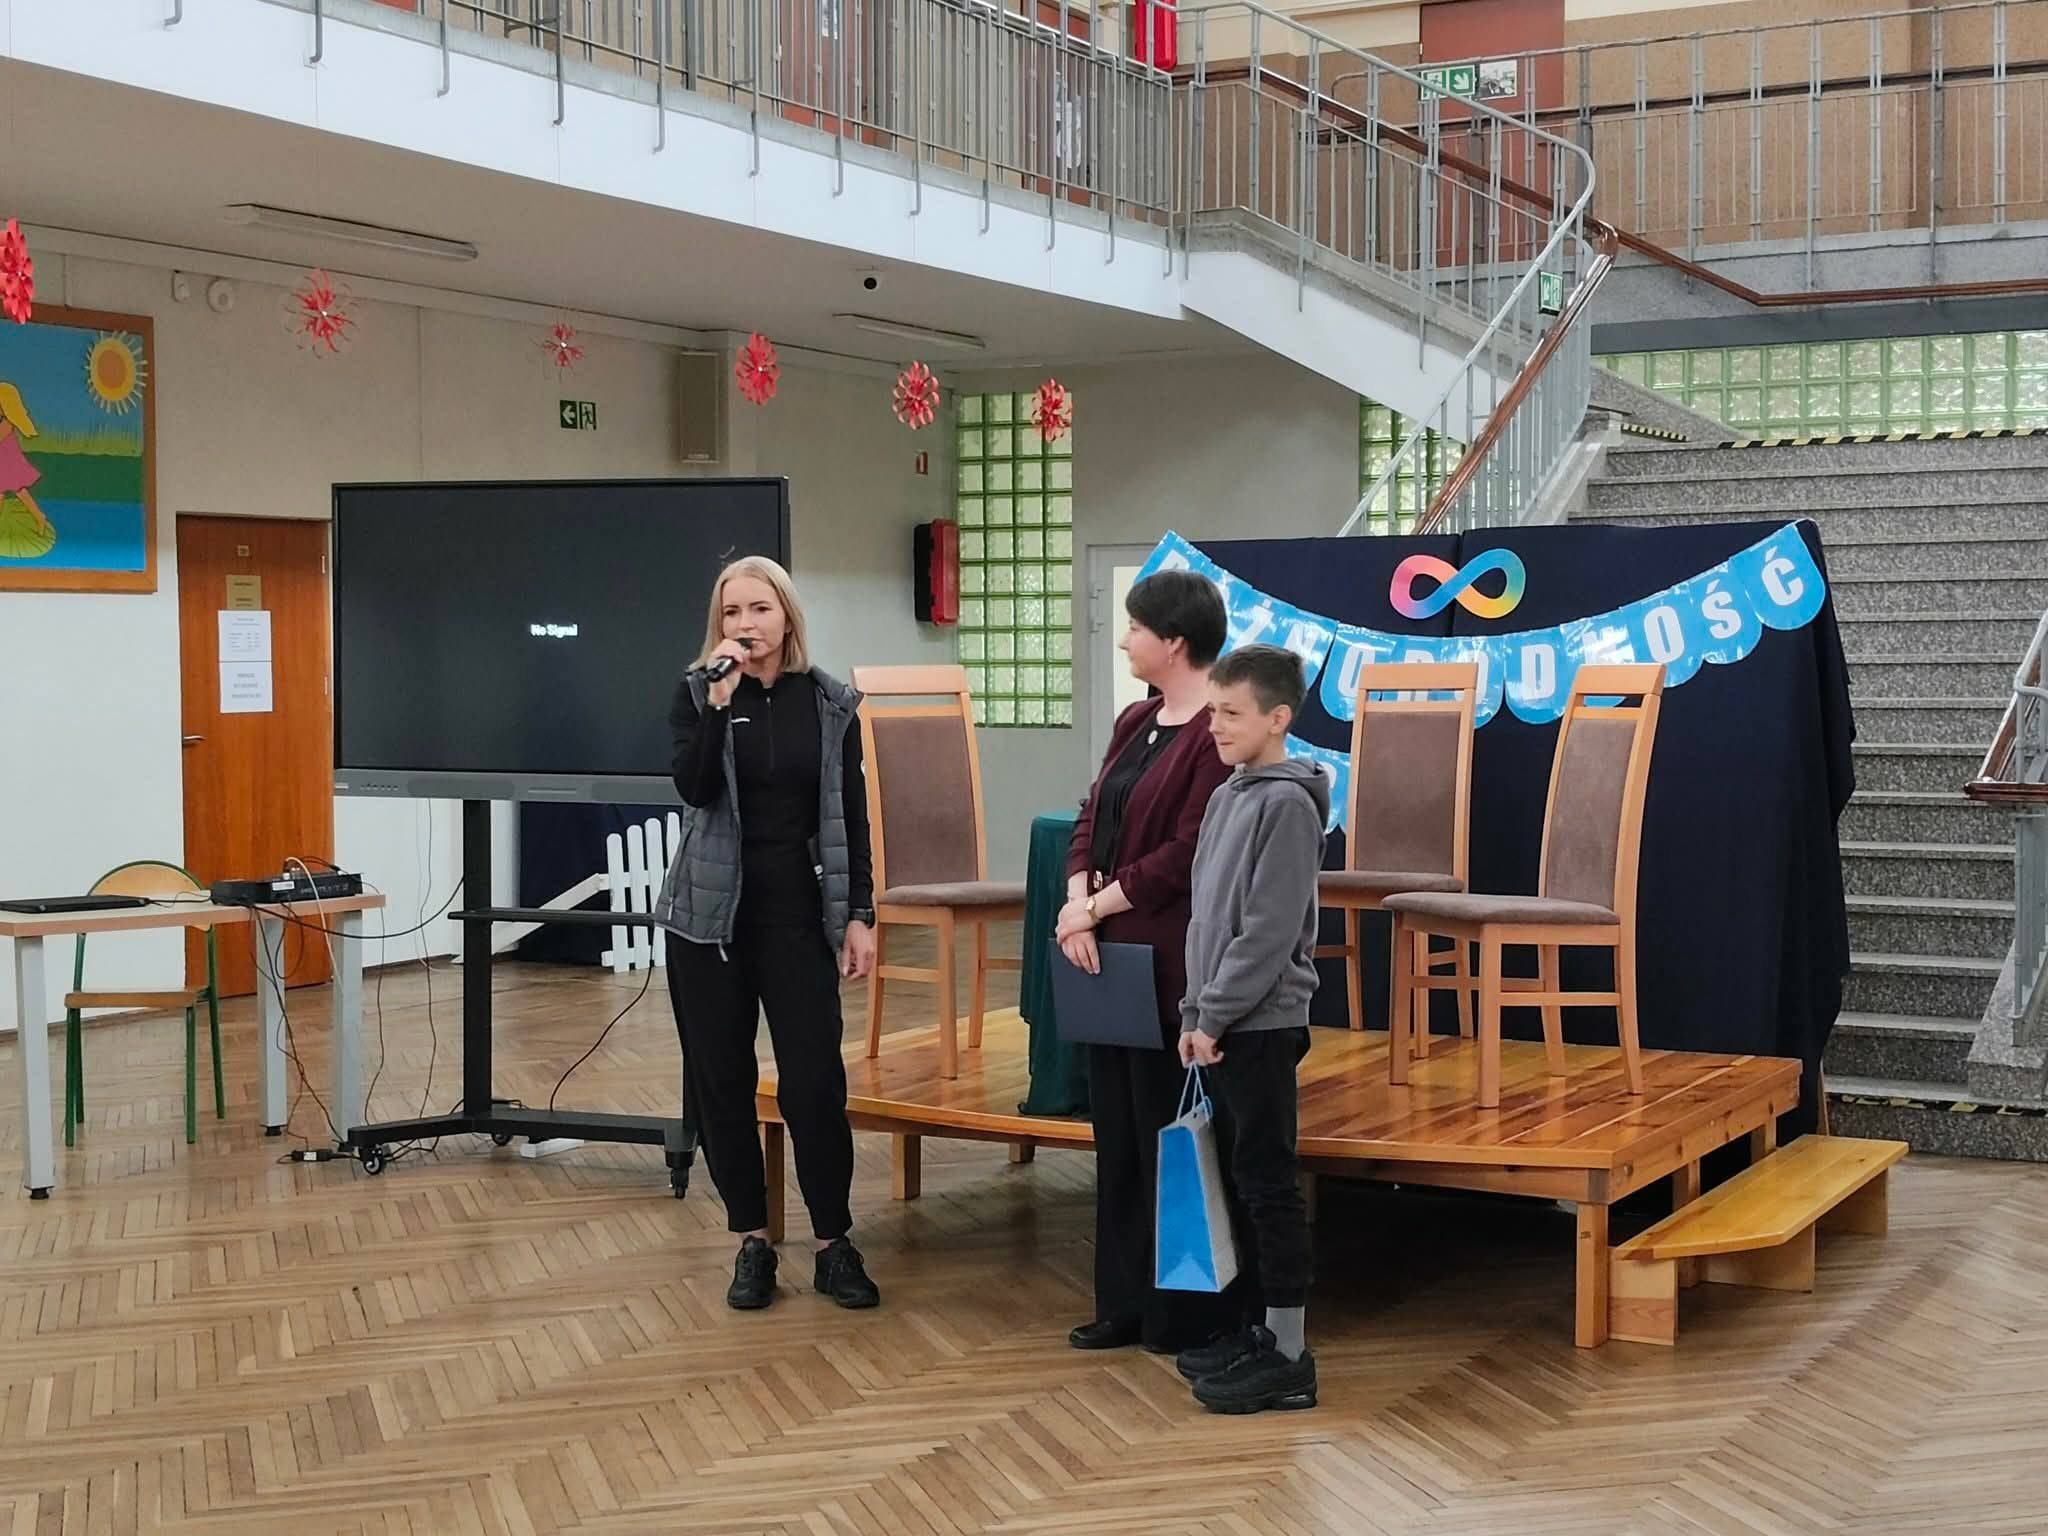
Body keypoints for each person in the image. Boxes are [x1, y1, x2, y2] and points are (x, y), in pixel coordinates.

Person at [654, 556, 882, 1313]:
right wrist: (719, 703)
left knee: (814, 1083)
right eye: (731, 612)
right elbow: (694, 789)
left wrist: (860, 913)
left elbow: (851, 815)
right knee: (721, 1083)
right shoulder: (698, 693)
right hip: (707, 924)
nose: (745, 624)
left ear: (786, 617)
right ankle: (751, 1240)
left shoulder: (829, 704)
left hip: (797, 918)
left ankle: (833, 1243)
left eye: (758, 609)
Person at [1054, 569, 1237, 1354]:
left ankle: (1181, 1316)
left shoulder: (1214, 732)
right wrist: (1075, 903)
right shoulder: (1136, 718)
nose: (1124, 639)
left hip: (1168, 961)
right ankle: (1122, 1302)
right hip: (1108, 960)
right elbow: (1090, 815)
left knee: (1170, 1141)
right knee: (1118, 1139)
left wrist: (1095, 907)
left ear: (1174, 642)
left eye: (1134, 628)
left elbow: (1188, 852)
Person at [1172, 644, 1325, 1413]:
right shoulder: (1230, 794)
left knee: (1268, 1183)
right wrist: (1194, 1013)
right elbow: (1204, 919)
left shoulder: (1288, 805)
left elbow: (1266, 934)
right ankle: (1254, 1329)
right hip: (1223, 1020)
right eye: (1212, 712)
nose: (1216, 726)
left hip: (1262, 1023)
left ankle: (1290, 1355)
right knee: (1236, 1179)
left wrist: (1218, 1011)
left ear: (1278, 718)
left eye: (1231, 713)